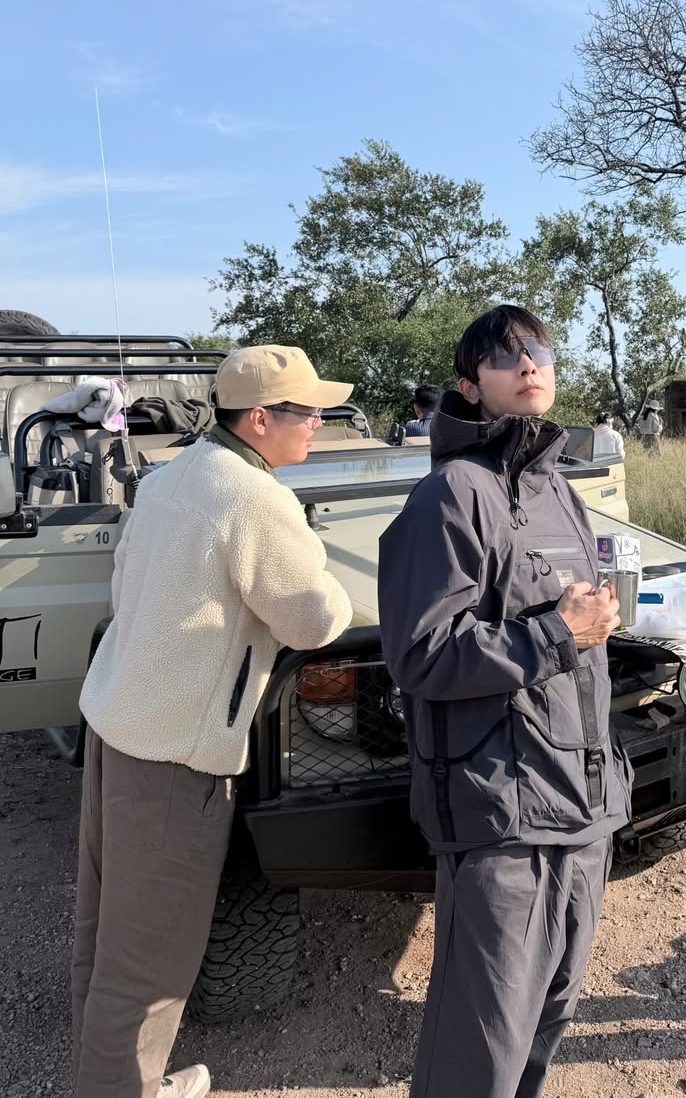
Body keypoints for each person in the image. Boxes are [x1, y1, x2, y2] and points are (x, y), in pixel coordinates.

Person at [73, 346, 356, 1098]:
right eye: (307, 411)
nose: (319, 423)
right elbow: (313, 618)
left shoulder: (172, 476)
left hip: (118, 727)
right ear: (260, 419)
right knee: (151, 963)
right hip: (173, 754)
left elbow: (123, 580)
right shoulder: (256, 498)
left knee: (110, 932)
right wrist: (328, 569)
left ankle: (123, 1077)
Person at [379, 304, 632, 1098]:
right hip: (502, 817)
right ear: (469, 383)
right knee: (480, 1047)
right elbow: (421, 655)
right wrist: (560, 631)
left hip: (583, 804)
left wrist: (589, 625)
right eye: (506, 356)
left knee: (548, 1017)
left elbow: (573, 624)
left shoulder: (556, 486)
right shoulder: (452, 494)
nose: (529, 366)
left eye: (540, 351)